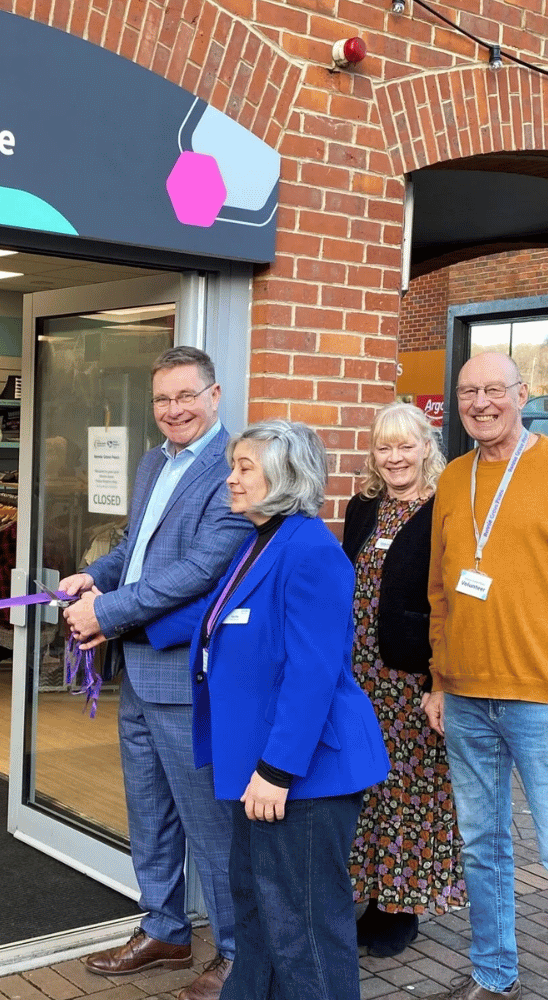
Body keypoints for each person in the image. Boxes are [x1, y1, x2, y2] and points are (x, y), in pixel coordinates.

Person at [147, 419, 389, 999]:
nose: (230, 480)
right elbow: (212, 611)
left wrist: (277, 770)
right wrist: (114, 619)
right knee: (256, 915)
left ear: (283, 476)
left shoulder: (310, 552)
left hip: (300, 777)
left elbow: (313, 674)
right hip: (258, 772)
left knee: (304, 930)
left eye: (243, 468)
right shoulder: (262, 541)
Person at [422, 352, 548, 1000]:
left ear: (522, 394)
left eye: (492, 390)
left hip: (544, 703)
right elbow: (440, 591)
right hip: (464, 700)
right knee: (482, 849)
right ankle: (491, 973)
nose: (479, 403)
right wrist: (436, 679)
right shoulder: (452, 478)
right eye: (466, 393)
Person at [59, 346, 252, 1000]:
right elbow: (136, 549)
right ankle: (165, 928)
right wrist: (99, 576)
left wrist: (105, 613)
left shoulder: (233, 471)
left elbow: (198, 570)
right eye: (162, 400)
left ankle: (236, 955)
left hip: (184, 676)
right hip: (138, 671)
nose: (173, 411)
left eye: (185, 397)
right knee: (149, 813)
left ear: (214, 395)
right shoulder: (152, 461)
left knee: (208, 824)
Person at [341, 402, 466, 957]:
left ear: (425, 448)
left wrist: (440, 680)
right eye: (384, 447)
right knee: (364, 785)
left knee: (410, 790)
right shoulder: (361, 508)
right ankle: (368, 892)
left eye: (405, 446)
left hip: (410, 676)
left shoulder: (445, 509)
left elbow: (453, 599)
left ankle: (400, 905)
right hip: (358, 674)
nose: (394, 458)